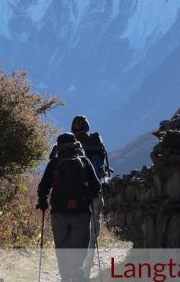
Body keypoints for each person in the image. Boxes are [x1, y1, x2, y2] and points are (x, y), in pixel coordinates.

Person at [37, 132, 101, 282]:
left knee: (62, 250)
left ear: (58, 147)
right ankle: (77, 275)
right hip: (81, 213)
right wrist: (88, 195)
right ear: (76, 146)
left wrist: (43, 203)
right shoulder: (84, 161)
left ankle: (65, 278)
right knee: (78, 250)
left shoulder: (53, 163)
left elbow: (43, 186)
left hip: (59, 214)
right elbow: (96, 187)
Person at [70, 115, 111, 279]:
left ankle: (74, 269)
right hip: (95, 193)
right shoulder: (96, 140)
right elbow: (104, 167)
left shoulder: (69, 143)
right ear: (87, 127)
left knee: (75, 233)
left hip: (76, 196)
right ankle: (86, 271)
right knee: (92, 234)